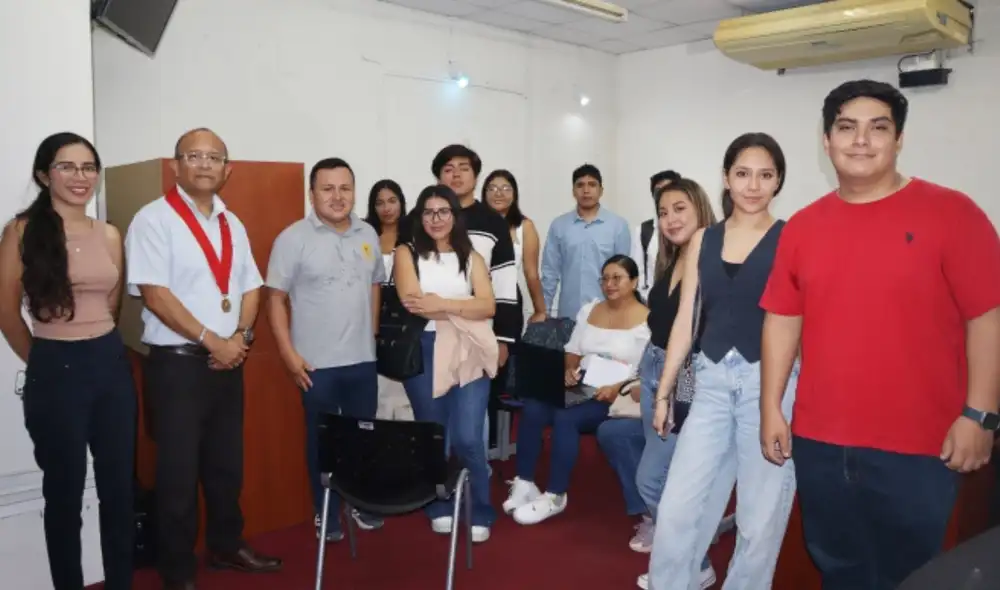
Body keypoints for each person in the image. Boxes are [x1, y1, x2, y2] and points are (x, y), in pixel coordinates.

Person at [760, 79, 1000, 590]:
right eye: (847, 128)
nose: (862, 140)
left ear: (899, 139)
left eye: (878, 128)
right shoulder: (802, 228)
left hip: (921, 445)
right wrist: (770, 407)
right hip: (822, 440)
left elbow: (988, 317)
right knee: (839, 567)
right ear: (827, 141)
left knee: (913, 575)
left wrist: (980, 414)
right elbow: (783, 318)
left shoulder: (953, 213)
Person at [125, 128, 281, 589]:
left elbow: (252, 286)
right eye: (194, 155)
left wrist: (240, 337)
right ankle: (177, 570)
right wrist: (216, 341)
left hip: (228, 360)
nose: (205, 164)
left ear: (227, 169)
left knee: (225, 464)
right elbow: (154, 295)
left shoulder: (232, 223)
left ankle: (226, 545)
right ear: (176, 166)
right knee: (177, 474)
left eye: (214, 157)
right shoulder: (152, 219)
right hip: (177, 365)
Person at [647, 133, 797, 590]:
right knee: (677, 508)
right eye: (743, 173)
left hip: (768, 386)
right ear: (726, 179)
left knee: (760, 517)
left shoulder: (792, 238)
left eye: (765, 175)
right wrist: (665, 392)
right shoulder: (702, 241)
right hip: (709, 382)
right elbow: (684, 326)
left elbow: (801, 322)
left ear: (778, 182)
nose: (753, 185)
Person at [0, 132, 136, 590]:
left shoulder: (110, 233)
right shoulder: (22, 231)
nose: (80, 177)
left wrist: (94, 347)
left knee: (119, 490)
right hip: (55, 368)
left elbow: (113, 303)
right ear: (44, 174)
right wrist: (45, 358)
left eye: (88, 168)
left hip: (110, 366)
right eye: (67, 167)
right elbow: (6, 311)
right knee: (64, 494)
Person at [596, 178, 718, 588]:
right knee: (662, 473)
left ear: (700, 208)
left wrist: (673, 387)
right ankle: (685, 559)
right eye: (663, 212)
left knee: (654, 477)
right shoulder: (675, 257)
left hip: (682, 374)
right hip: (653, 367)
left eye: (679, 208)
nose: (669, 219)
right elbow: (660, 326)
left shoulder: (709, 259)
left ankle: (692, 561)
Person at [267, 158, 386, 542]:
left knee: (362, 438)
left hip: (362, 362)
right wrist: (288, 355)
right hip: (315, 366)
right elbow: (275, 300)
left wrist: (371, 335)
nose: (338, 197)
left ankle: (362, 502)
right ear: (312, 193)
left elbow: (374, 286)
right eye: (328, 188)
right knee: (322, 442)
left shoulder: (368, 233)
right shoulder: (292, 238)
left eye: (345, 188)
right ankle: (326, 512)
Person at [504, 255, 650, 526]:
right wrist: (569, 370)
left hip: (617, 395)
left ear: (634, 281)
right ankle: (525, 482)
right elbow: (572, 350)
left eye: (617, 278)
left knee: (566, 417)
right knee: (535, 405)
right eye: (605, 278)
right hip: (582, 385)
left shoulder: (648, 321)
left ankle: (555, 495)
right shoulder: (590, 310)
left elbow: (647, 370)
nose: (609, 284)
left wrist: (616, 387)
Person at [394, 184, 498, 542]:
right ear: (419, 217)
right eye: (428, 212)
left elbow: (489, 307)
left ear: (455, 216)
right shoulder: (406, 253)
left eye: (443, 211)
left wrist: (443, 304)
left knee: (469, 437)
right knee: (434, 436)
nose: (435, 219)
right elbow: (413, 302)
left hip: (470, 347)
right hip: (425, 348)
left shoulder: (473, 258)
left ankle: (483, 507)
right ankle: (438, 504)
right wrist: (463, 303)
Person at [542, 164, 631, 320]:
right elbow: (550, 273)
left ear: (601, 190)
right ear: (573, 191)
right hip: (569, 315)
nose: (586, 190)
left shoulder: (618, 226)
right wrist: (544, 311)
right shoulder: (559, 225)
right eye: (580, 185)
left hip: (607, 316)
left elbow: (623, 275)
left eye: (592, 185)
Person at [481, 169, 546, 324]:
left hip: (508, 299)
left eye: (506, 189)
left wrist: (540, 310)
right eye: (492, 188)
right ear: (484, 193)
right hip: (476, 300)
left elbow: (531, 273)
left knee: (507, 348)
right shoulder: (473, 224)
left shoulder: (525, 227)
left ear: (515, 194)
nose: (499, 193)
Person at [631, 170, 681, 300]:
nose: (663, 195)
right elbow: (638, 272)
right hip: (651, 304)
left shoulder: (688, 227)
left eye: (668, 189)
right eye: (658, 191)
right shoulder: (643, 230)